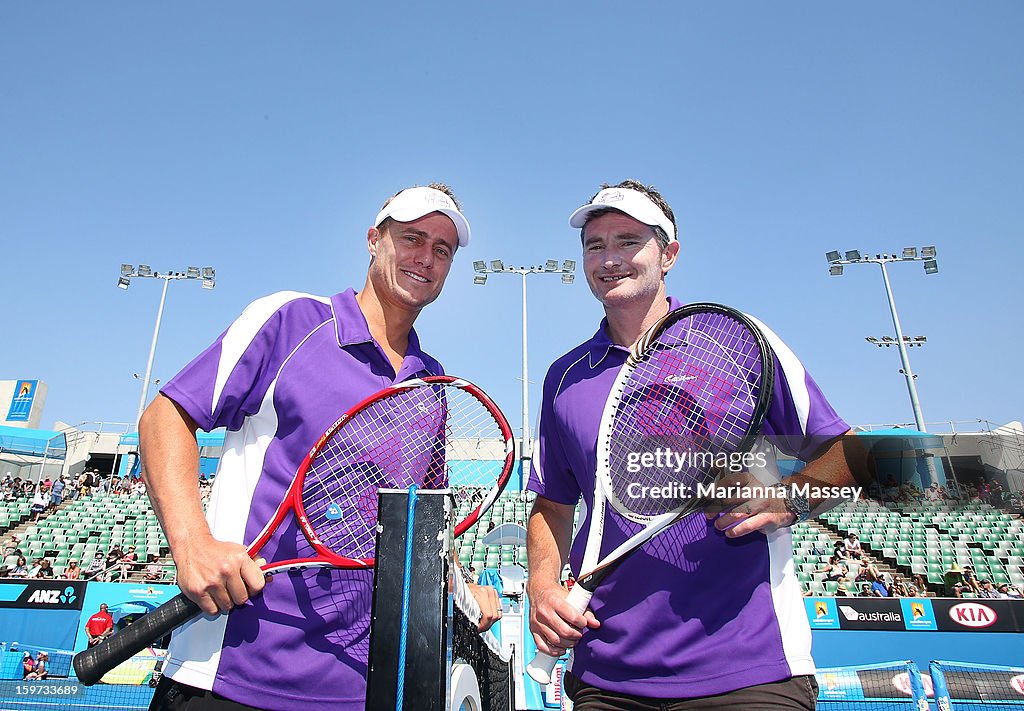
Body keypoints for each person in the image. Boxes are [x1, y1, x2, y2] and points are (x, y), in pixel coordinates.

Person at [138, 184, 500, 711]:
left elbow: (424, 528)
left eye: (442, 249)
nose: (426, 257)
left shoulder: (433, 385)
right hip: (227, 676)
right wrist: (193, 544)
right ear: (374, 240)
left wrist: (464, 587)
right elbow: (164, 417)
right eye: (412, 237)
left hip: (362, 689)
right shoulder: (290, 321)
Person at [526, 180, 865, 709]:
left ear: (669, 254)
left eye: (628, 241)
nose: (609, 258)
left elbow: (848, 452)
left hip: (750, 671)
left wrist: (790, 496)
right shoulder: (565, 377)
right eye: (595, 245)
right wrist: (542, 588)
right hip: (607, 679)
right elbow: (552, 504)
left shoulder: (737, 341)